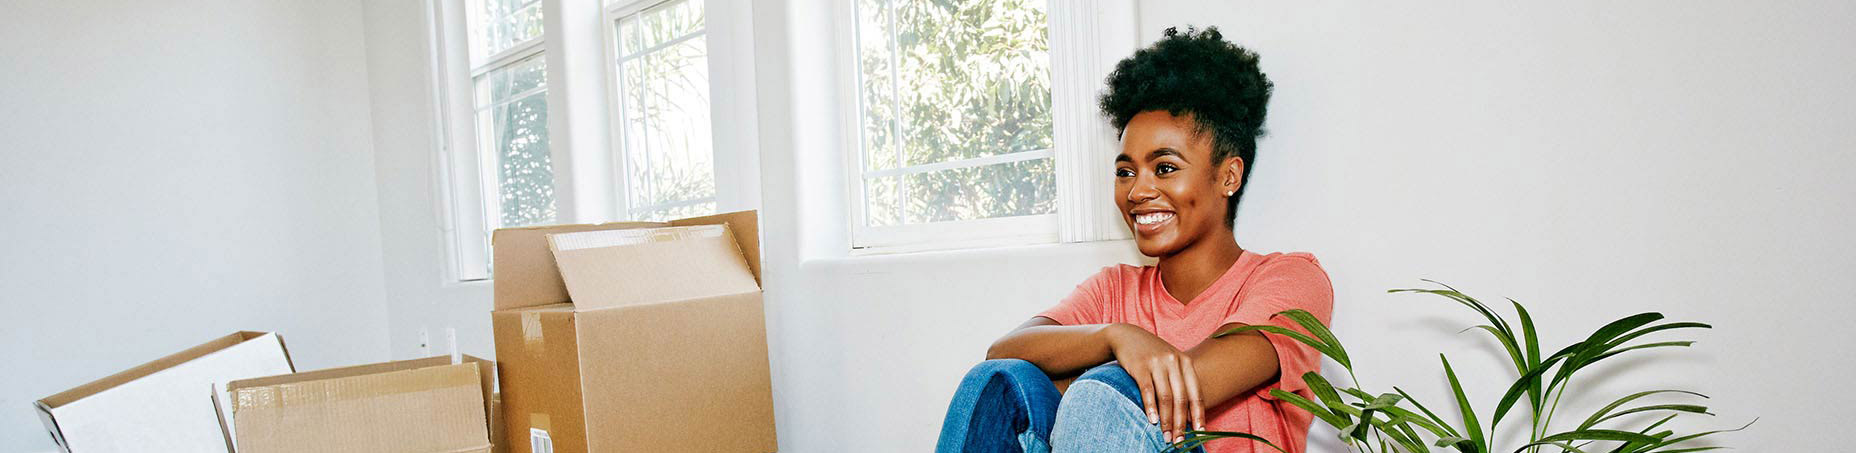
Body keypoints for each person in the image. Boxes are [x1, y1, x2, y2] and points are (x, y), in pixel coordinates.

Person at [935, 26, 1334, 453]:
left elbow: (1191, 381)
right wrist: (1115, 336)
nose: (1137, 191)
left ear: (1228, 175)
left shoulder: (1287, 279)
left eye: (1164, 168)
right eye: (1125, 171)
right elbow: (1003, 350)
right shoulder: (1114, 290)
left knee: (1106, 390)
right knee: (998, 383)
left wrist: (1084, 376)